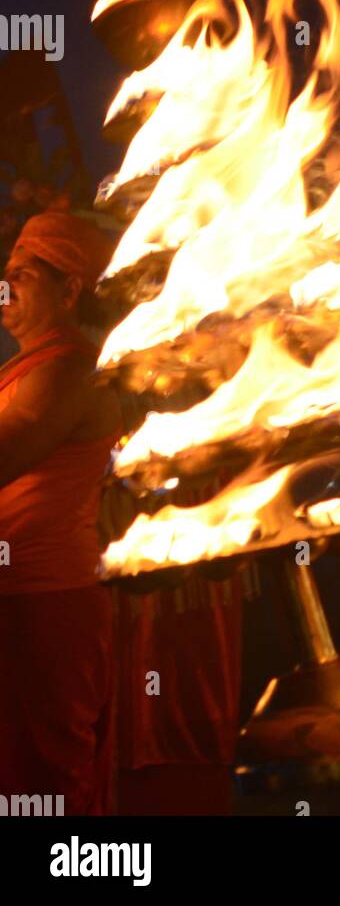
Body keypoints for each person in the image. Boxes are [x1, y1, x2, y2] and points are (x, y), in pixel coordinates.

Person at [0, 210, 121, 814]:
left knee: (47, 782)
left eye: (21, 275)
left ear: (70, 290)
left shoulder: (71, 367)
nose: (4, 286)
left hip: (47, 602)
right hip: (21, 602)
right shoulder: (31, 368)